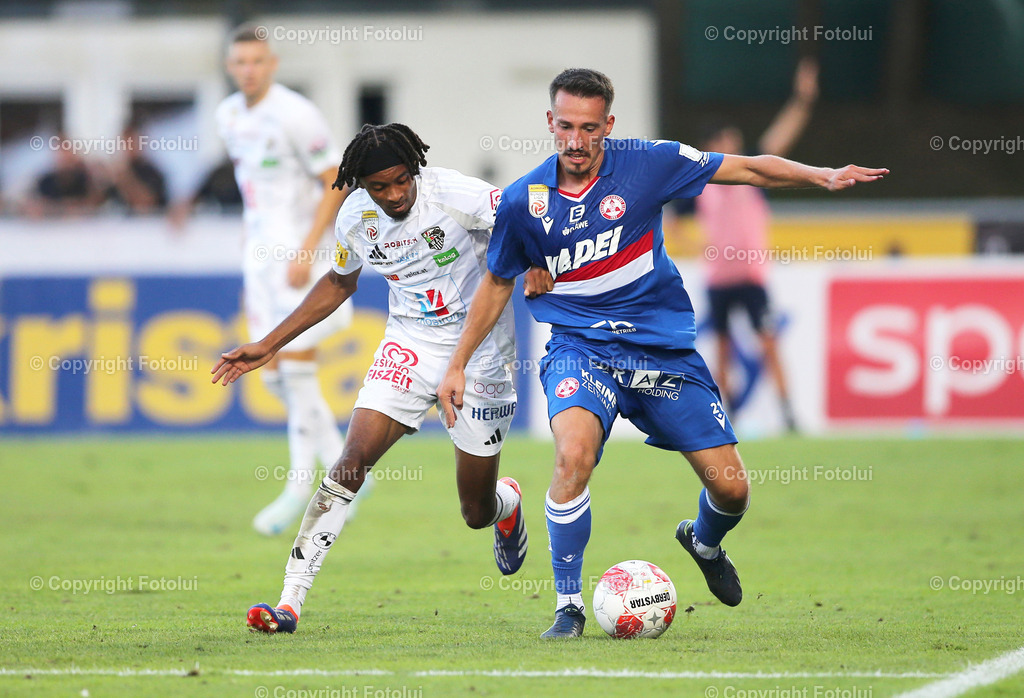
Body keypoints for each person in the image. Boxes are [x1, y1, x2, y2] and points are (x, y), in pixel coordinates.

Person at [437, 67, 887, 638]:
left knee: (732, 488)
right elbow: (497, 281)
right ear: (550, 122)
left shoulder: (650, 163)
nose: (576, 141)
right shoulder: (525, 201)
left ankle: (702, 541)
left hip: (661, 353)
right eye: (566, 126)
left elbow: (746, 167)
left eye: (590, 128)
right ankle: (569, 606)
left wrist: (820, 175)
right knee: (572, 457)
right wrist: (457, 364)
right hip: (581, 350)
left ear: (610, 126)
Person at [212, 123, 552, 635]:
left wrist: (539, 261)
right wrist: (269, 342)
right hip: (409, 345)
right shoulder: (353, 217)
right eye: (379, 187)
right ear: (362, 186)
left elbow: (530, 210)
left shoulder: (454, 194)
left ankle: (505, 504)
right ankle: (289, 603)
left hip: (481, 353)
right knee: (351, 462)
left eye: (400, 182)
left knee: (474, 511)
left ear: (414, 170)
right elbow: (339, 282)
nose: (393, 195)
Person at [216, 25, 353, 536]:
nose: (248, 70)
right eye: (240, 62)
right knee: (270, 374)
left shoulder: (295, 113)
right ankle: (346, 467)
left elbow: (335, 178)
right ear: (231, 68)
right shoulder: (227, 115)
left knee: (291, 357)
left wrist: (309, 248)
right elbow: (256, 192)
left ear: (271, 64)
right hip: (260, 258)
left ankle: (300, 487)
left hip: (302, 256)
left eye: (257, 61)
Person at [697, 57, 820, 431]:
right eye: (726, 139)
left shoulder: (752, 174)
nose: (734, 144)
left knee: (768, 343)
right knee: (722, 350)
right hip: (719, 278)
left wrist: (802, 100)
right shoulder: (701, 182)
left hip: (751, 277)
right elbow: (670, 216)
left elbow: (781, 139)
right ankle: (726, 414)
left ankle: (787, 413)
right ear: (712, 145)